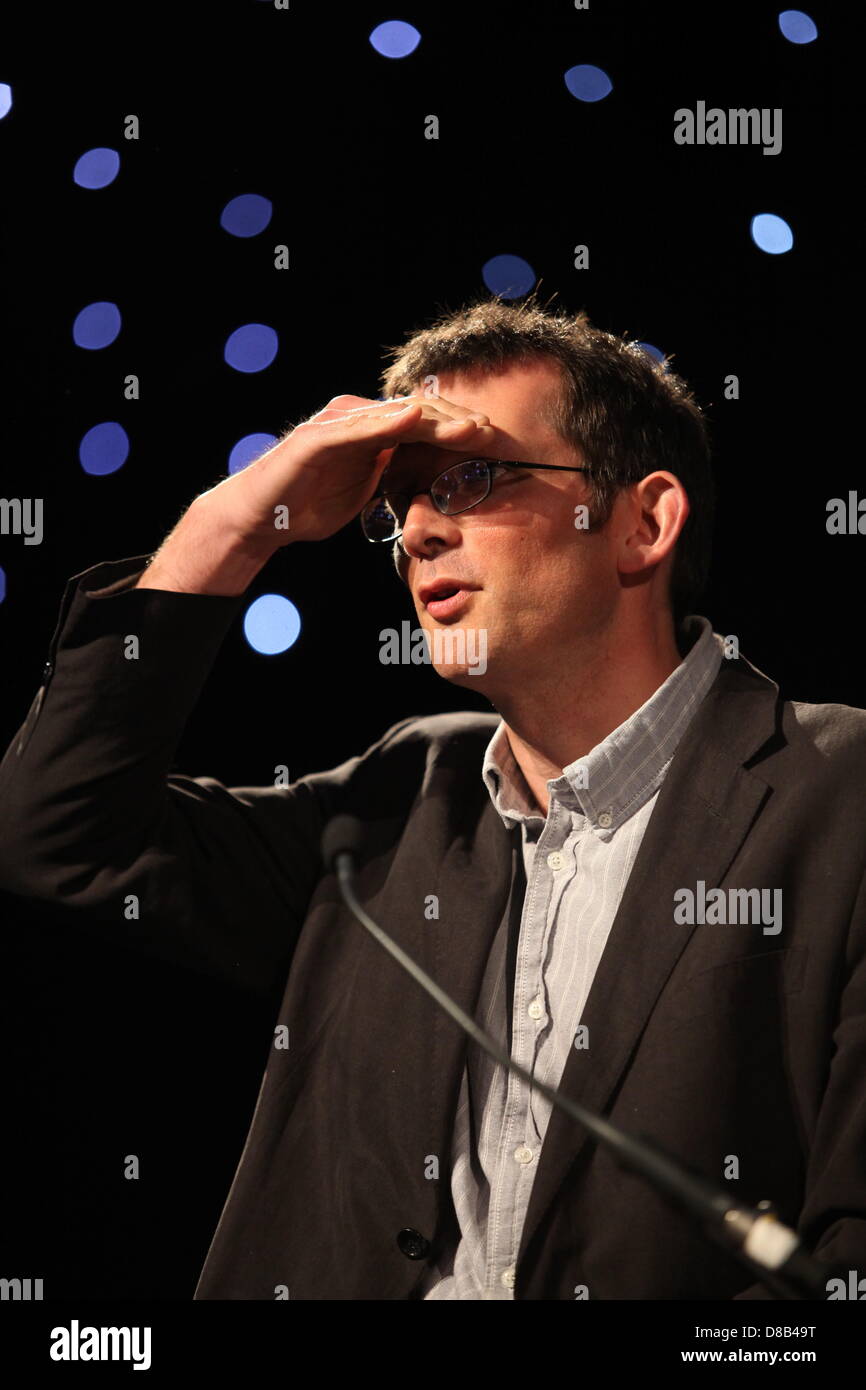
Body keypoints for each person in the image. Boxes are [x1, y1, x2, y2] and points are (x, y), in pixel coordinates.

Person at [1, 296, 864, 1300]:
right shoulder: (392, 799)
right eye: (397, 502)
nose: (413, 530)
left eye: (470, 477)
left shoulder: (836, 790)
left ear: (641, 521)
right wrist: (232, 525)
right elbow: (51, 835)